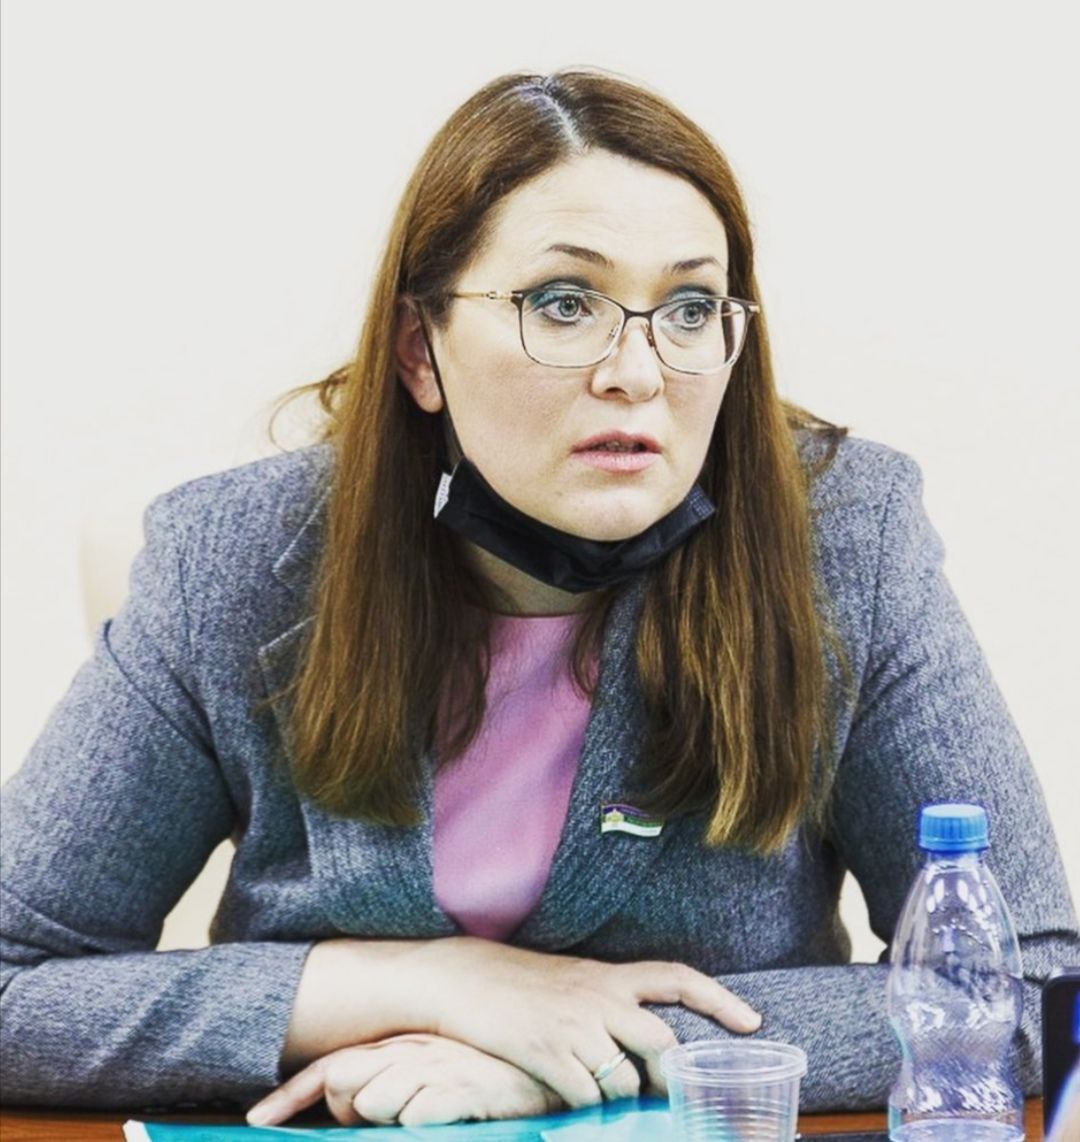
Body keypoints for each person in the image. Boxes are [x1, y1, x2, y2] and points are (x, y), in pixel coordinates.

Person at [1, 67, 1076, 1130]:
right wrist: (421, 985)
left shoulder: (841, 538)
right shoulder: (232, 559)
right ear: (421, 350)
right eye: (564, 305)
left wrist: (592, 1052)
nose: (637, 373)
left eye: (689, 307)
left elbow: (1030, 986)